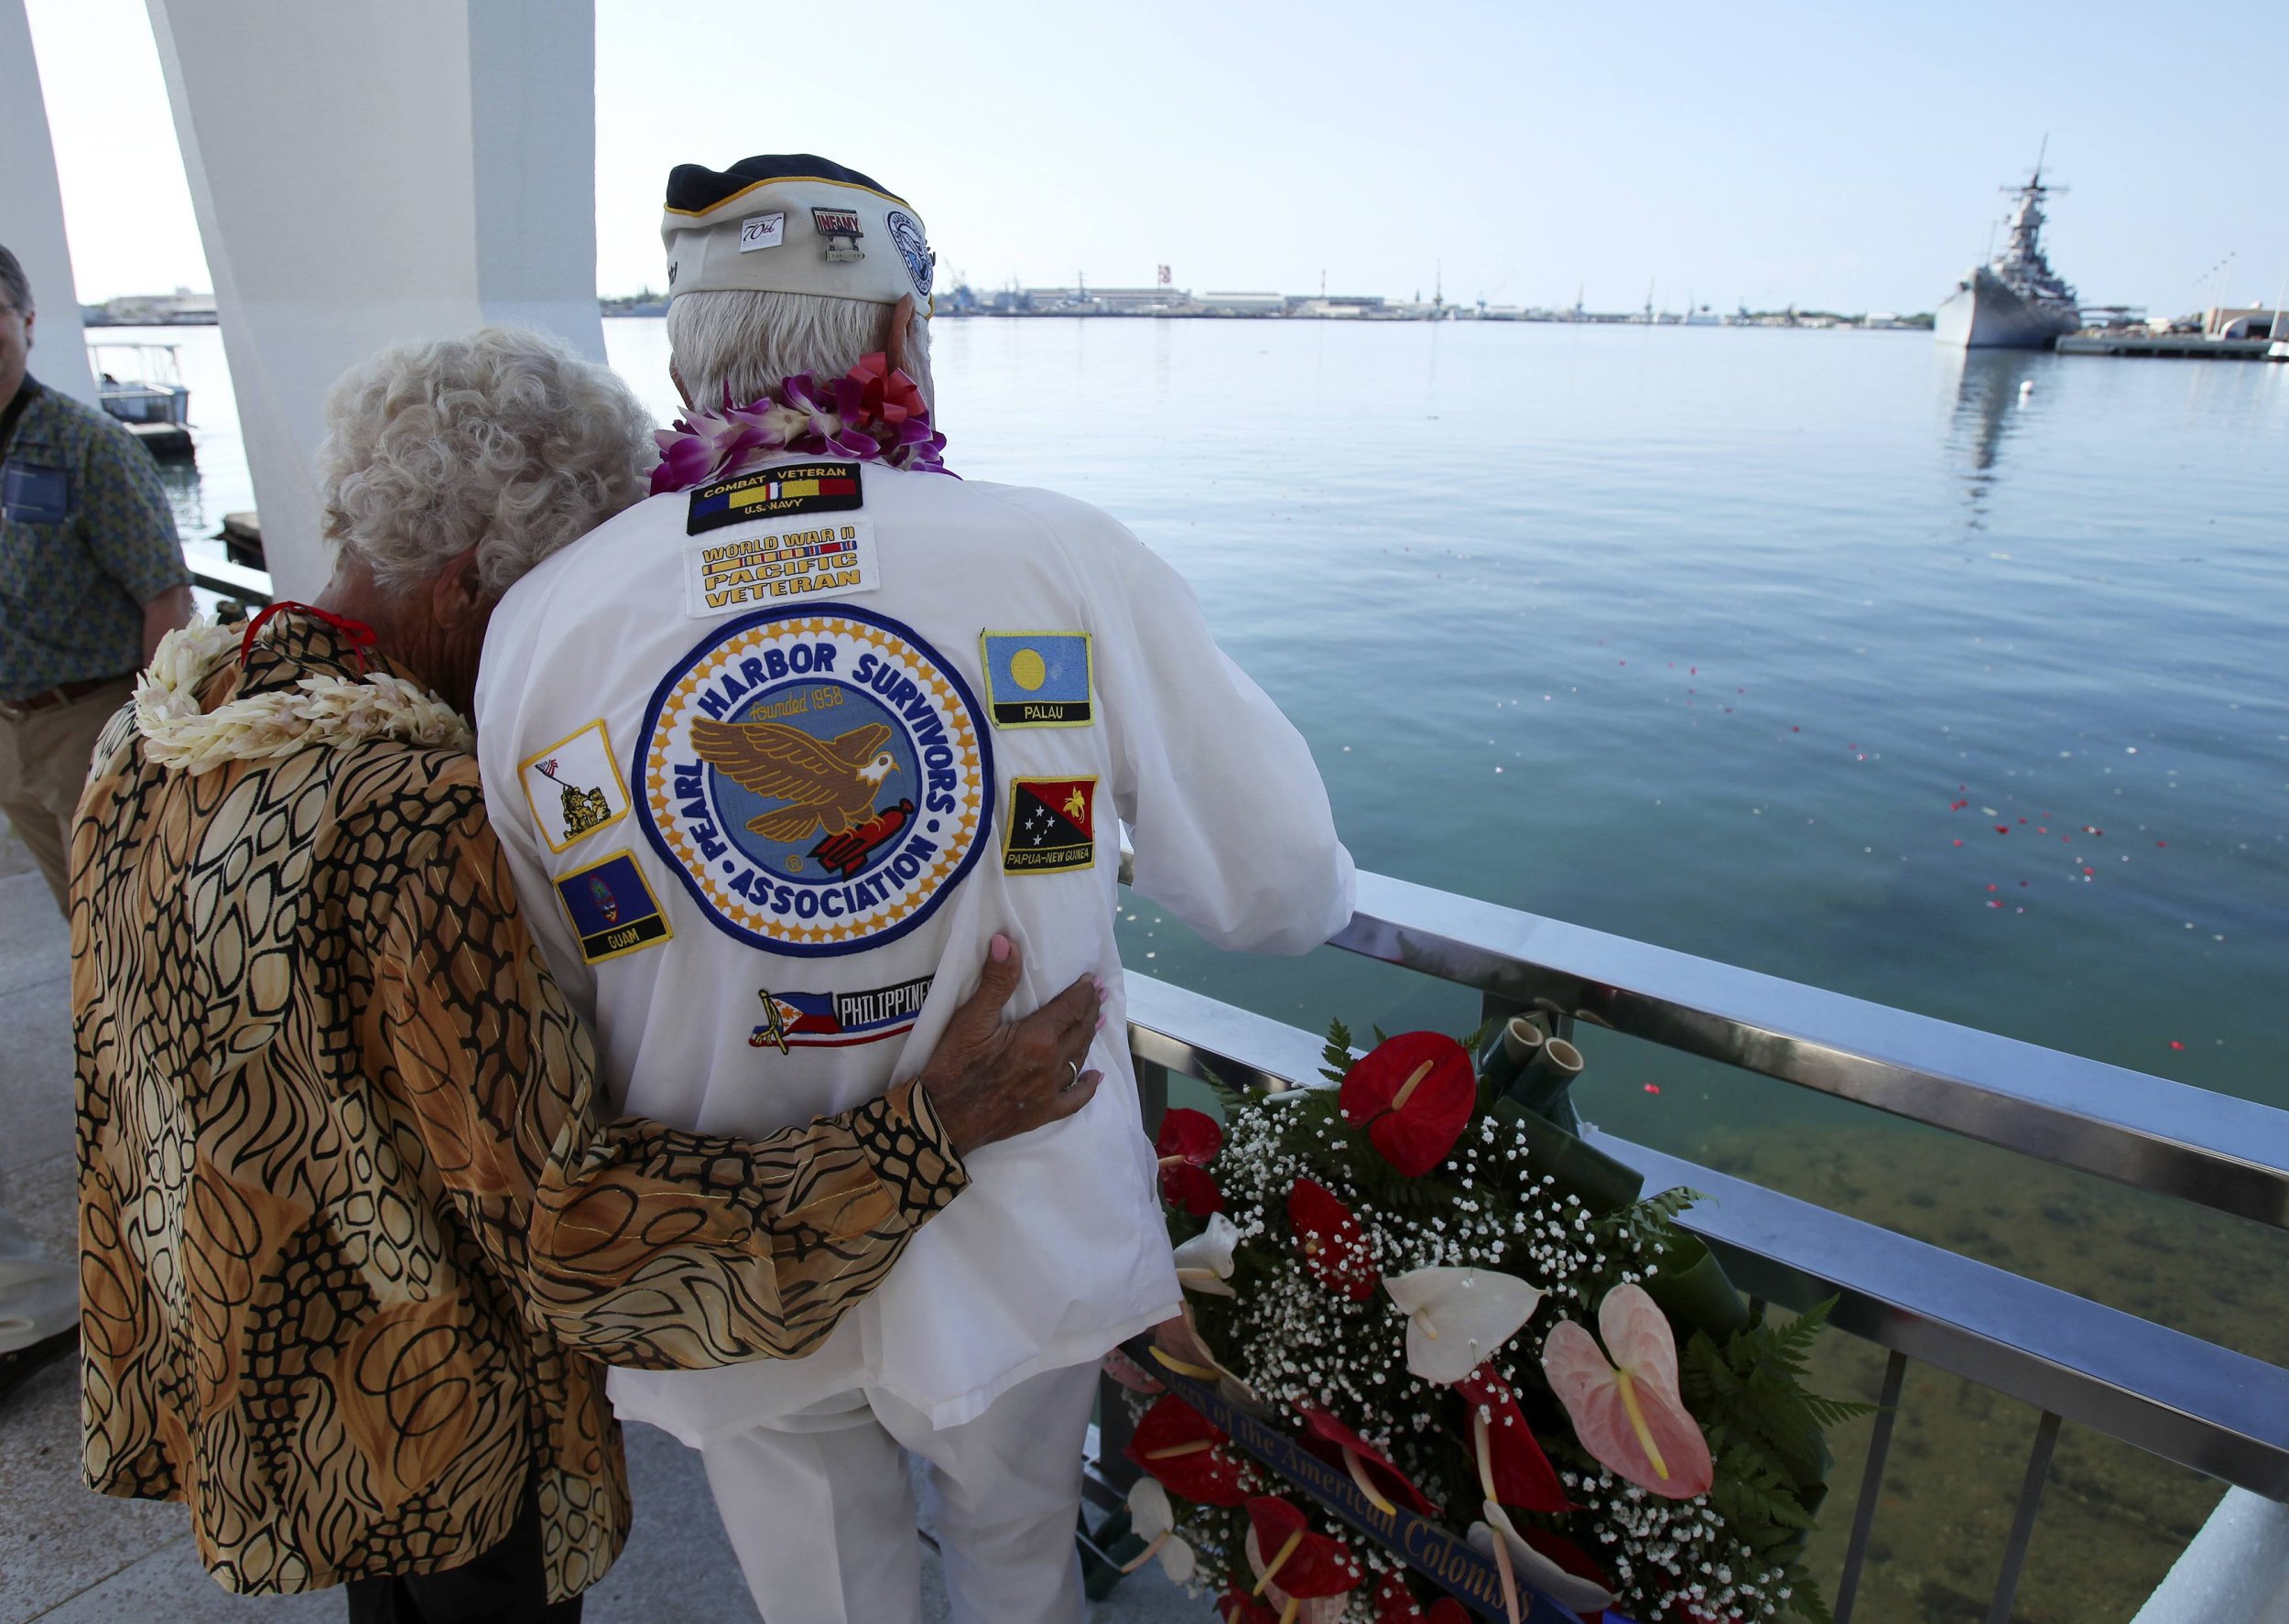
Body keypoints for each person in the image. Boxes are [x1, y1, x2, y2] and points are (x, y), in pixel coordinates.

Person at [71, 326, 1107, 1623]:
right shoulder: (414, 814)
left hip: (259, 1357)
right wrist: (932, 1129)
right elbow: (569, 1226)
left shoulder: (163, 728)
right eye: (547, 603)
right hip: (436, 1410)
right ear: (463, 591)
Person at [474, 154, 1356, 1624]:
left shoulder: (547, 618)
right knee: (1017, 1565)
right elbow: (1276, 890)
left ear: (685, 363)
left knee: (820, 1595)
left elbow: (544, 974)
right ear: (897, 347)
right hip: (1011, 1230)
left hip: (726, 1249)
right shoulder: (1058, 558)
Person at [0, 242, 192, 915]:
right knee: (79, 920)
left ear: (26, 322)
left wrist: (156, 733)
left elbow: (165, 596)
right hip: (9, 730)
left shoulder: (90, 448)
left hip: (89, 725)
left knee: (134, 913)